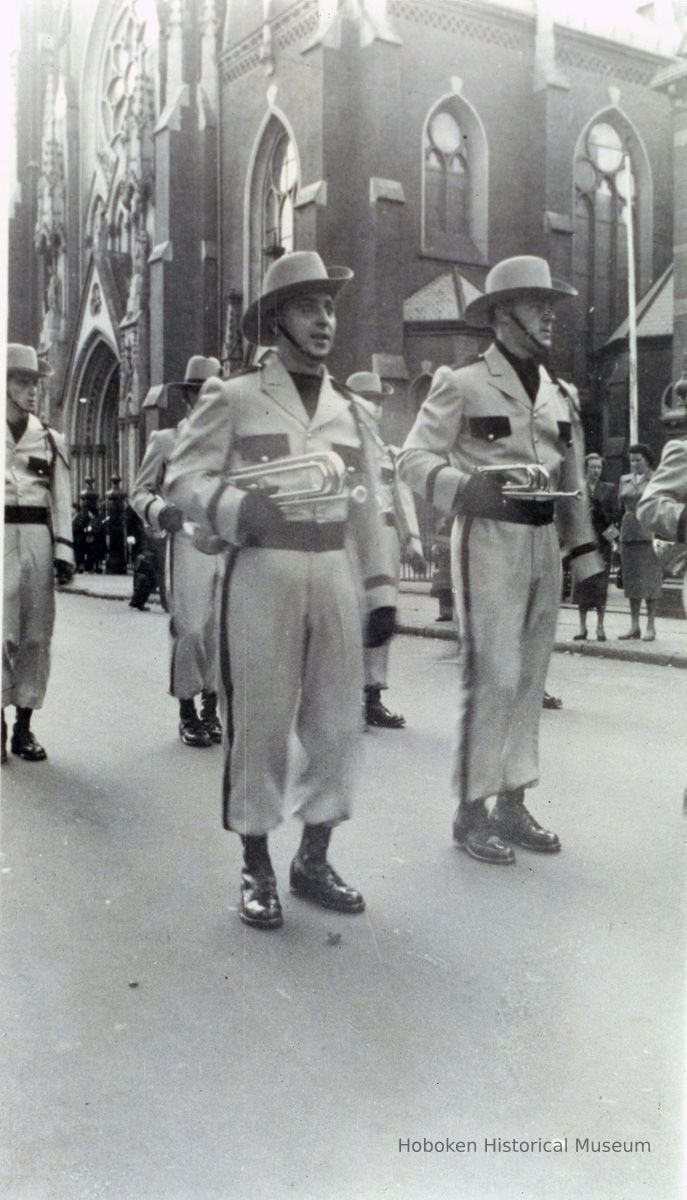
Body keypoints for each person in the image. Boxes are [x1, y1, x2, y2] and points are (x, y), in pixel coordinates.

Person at [164, 250, 396, 929]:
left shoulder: (351, 412)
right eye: (307, 307)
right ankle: (256, 864)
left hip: (333, 574)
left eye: (328, 307)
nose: (324, 319)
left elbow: (370, 507)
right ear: (276, 321)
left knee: (336, 728)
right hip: (260, 572)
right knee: (259, 724)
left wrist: (380, 592)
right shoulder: (233, 396)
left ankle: (313, 859)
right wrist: (237, 511)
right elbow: (182, 481)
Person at [398, 255, 602, 865]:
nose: (549, 314)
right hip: (487, 535)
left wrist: (586, 556)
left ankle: (513, 802)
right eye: (537, 303)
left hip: (542, 542)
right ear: (502, 313)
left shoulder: (559, 393)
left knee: (530, 677)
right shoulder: (460, 383)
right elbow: (411, 459)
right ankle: (471, 812)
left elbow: (574, 484)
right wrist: (464, 489)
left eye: (552, 305)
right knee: (494, 675)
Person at [129, 356, 224, 748]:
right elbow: (139, 491)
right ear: (188, 399)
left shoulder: (230, 446)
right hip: (185, 542)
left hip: (225, 543)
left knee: (221, 629)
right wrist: (159, 511)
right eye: (201, 395)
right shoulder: (166, 442)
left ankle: (211, 710)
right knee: (189, 627)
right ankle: (186, 711)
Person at [3, 344, 75, 763]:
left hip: (36, 538)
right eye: (21, 382)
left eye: (33, 383)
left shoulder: (50, 440)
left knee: (35, 634)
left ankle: (24, 727)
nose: (31, 391)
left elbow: (60, 499)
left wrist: (64, 551)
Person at [346, 370, 426, 729]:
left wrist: (415, 542)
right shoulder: (344, 444)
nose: (375, 407)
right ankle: (346, 697)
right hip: (356, 537)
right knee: (350, 614)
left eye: (379, 401)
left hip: (388, 537)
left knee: (381, 612)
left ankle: (372, 696)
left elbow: (402, 496)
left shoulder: (387, 451)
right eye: (369, 400)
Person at [571, 452, 618, 641]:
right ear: (586, 469)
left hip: (601, 543)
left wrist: (600, 511)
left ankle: (600, 627)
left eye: (598, 467)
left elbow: (615, 515)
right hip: (583, 542)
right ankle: (582, 628)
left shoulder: (609, 489)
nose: (595, 471)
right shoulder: (578, 489)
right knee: (582, 584)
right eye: (592, 468)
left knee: (600, 585)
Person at [617, 443, 662, 642]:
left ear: (647, 460)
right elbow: (619, 508)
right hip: (628, 534)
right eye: (632, 460)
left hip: (648, 534)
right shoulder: (624, 480)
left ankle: (651, 626)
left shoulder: (656, 479)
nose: (634, 464)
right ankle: (634, 626)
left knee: (651, 581)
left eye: (638, 460)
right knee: (632, 582)